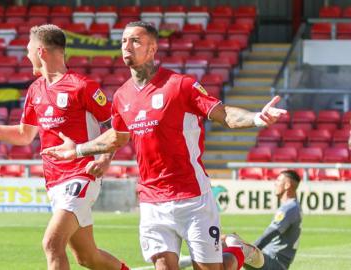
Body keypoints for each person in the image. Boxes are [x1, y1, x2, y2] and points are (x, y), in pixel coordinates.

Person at [41, 21, 287, 270]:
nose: (127, 46)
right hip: (151, 199)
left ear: (152, 49)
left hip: (192, 196)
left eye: (135, 40)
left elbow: (224, 115)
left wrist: (257, 118)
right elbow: (117, 136)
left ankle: (237, 249)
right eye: (124, 40)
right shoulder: (122, 96)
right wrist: (79, 150)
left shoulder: (180, 85)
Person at [0, 24, 128, 270]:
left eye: (28, 49)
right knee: (87, 257)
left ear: (40, 52)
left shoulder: (82, 86)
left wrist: (104, 159)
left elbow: (118, 127)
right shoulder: (35, 90)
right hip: (54, 182)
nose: (26, 55)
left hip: (81, 175)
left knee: (52, 243)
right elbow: (23, 135)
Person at [180, 170, 302, 270]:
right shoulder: (294, 207)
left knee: (229, 242)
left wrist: (252, 249)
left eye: (279, 180)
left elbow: (270, 234)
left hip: (275, 263)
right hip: (274, 260)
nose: (275, 183)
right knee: (226, 241)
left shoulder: (289, 208)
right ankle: (185, 262)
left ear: (287, 185)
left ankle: (184, 262)